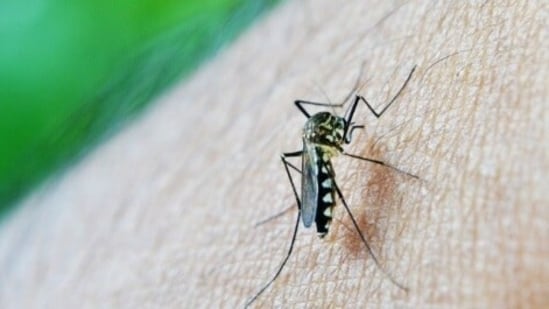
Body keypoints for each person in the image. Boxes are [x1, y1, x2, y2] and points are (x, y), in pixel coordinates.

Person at [0, 1, 546, 307]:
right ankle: (300, 232)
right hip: (321, 184)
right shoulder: (321, 145)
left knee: (319, 148)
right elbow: (330, 151)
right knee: (330, 172)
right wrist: (367, 165)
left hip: (314, 150)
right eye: (335, 124)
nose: (343, 125)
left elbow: (332, 125)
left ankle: (304, 218)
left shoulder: (324, 126)